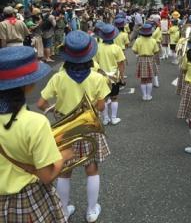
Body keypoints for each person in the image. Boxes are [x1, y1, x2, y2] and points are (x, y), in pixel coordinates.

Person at [37, 31, 111, 222]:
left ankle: (63, 210)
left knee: (64, 171)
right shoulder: (97, 78)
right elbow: (101, 105)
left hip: (65, 128)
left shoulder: (58, 78)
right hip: (88, 126)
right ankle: (92, 210)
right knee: (91, 167)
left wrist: (55, 109)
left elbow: (40, 104)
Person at [0, 46, 73, 222]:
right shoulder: (36, 123)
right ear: (28, 85)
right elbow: (47, 176)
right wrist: (63, 156)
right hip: (28, 199)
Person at [94, 24, 126, 126]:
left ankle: (105, 118)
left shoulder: (97, 48)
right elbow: (121, 64)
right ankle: (113, 118)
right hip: (113, 77)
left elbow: (95, 64)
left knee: (103, 98)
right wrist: (122, 76)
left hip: (101, 77)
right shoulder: (117, 48)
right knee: (114, 97)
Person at [132, 24, 159, 101]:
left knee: (143, 79)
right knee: (150, 78)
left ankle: (144, 95)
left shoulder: (138, 40)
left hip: (141, 59)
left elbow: (134, 50)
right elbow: (156, 51)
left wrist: (139, 52)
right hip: (150, 59)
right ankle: (149, 95)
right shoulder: (153, 40)